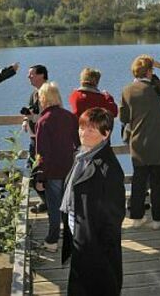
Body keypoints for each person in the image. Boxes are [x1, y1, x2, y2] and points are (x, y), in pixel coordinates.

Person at [61, 108, 125, 295]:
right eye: (82, 128)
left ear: (106, 134)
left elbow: (115, 217)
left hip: (96, 248)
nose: (83, 133)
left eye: (91, 130)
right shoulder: (81, 156)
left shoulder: (109, 168)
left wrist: (97, 249)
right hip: (80, 239)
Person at [119, 55, 160, 230]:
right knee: (157, 182)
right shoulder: (156, 87)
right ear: (149, 71)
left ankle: (137, 218)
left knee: (138, 182)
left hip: (138, 143)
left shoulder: (126, 90)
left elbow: (124, 118)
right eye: (152, 69)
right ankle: (158, 219)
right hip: (158, 144)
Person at [34, 82, 80, 252]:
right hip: (69, 168)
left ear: (43, 99)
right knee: (69, 206)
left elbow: (42, 153)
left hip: (52, 171)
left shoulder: (43, 121)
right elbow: (78, 142)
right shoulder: (69, 116)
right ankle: (73, 238)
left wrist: (40, 177)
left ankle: (52, 241)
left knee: (54, 208)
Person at [21, 64, 49, 212]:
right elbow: (32, 111)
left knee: (34, 173)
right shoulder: (34, 93)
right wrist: (27, 119)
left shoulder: (48, 93)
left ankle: (49, 202)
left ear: (41, 75)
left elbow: (48, 116)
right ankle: (47, 201)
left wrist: (33, 116)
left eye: (31, 74)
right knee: (32, 173)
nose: (28, 77)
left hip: (43, 140)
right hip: (34, 139)